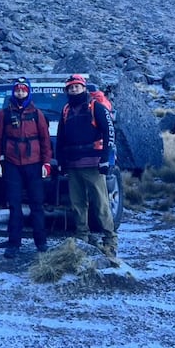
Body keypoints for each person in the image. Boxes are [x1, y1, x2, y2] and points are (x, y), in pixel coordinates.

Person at [56, 74, 117, 257]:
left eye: (77, 86)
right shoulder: (66, 110)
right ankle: (82, 236)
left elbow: (109, 132)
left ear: (84, 88)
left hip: (94, 164)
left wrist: (106, 158)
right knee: (78, 204)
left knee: (101, 204)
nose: (74, 90)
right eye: (71, 87)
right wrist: (61, 162)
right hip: (73, 165)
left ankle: (110, 240)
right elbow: (60, 138)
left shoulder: (95, 107)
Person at [0, 76, 52, 258]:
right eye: (17, 90)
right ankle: (14, 243)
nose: (20, 93)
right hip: (12, 164)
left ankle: (41, 242)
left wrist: (46, 162)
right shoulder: (4, 114)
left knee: (37, 204)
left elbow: (45, 140)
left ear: (28, 92)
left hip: (34, 164)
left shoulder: (37, 114)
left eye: (23, 90)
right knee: (14, 205)